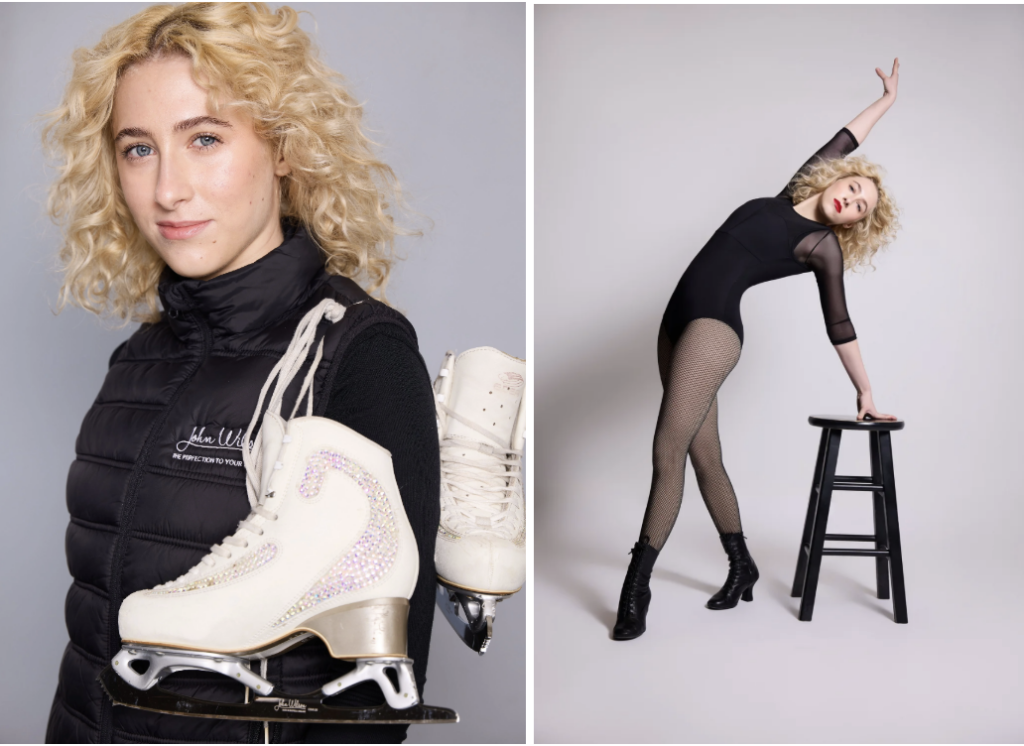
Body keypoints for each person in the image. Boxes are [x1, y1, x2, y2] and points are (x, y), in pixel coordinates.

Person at [40, 4, 440, 742]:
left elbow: (381, 694)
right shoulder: (137, 359)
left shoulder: (359, 354)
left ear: (284, 145)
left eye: (204, 138)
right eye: (138, 149)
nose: (167, 189)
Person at [613, 59, 904, 641]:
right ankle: (742, 565)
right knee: (704, 456)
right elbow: (849, 136)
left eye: (863, 206)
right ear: (835, 180)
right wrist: (888, 100)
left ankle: (635, 587)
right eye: (853, 187)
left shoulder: (822, 246)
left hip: (712, 332)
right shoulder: (796, 188)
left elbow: (839, 324)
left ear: (856, 226)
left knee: (666, 449)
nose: (853, 199)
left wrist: (866, 390)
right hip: (673, 323)